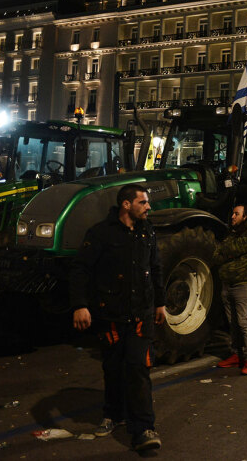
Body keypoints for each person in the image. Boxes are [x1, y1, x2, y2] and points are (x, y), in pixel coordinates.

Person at [69, 184, 165, 451]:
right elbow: (80, 270)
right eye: (143, 202)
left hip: (141, 316)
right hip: (110, 315)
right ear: (126, 204)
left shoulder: (147, 232)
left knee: (138, 369)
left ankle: (144, 428)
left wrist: (161, 303)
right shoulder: (101, 234)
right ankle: (113, 413)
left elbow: (155, 268)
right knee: (113, 368)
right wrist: (80, 305)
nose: (148, 207)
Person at [214, 204, 247, 374]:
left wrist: (226, 252)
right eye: (232, 213)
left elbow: (229, 249)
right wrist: (227, 253)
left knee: (243, 322)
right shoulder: (232, 234)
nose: (232, 216)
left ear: (245, 217)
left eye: (236, 214)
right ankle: (237, 354)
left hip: (243, 284)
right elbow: (216, 254)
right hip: (227, 284)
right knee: (233, 323)